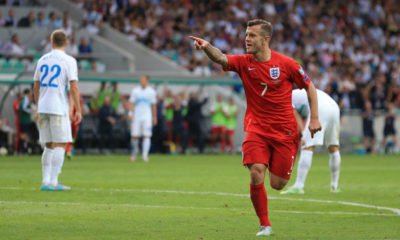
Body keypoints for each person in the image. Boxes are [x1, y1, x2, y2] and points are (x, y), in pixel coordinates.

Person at [189, 19, 321, 236]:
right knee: (256, 173)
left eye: (252, 35)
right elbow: (221, 57)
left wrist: (314, 118)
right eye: (246, 34)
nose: (247, 39)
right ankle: (265, 224)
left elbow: (310, 87)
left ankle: (279, 163)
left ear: (265, 39)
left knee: (278, 184)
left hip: (285, 132)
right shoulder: (243, 62)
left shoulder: (287, 64)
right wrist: (207, 47)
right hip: (256, 129)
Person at [33, 29, 82, 191]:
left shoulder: (42, 60)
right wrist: (78, 110)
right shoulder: (69, 60)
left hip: (43, 107)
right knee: (61, 144)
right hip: (58, 107)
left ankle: (45, 181)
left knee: (49, 145)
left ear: (51, 41)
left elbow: (36, 85)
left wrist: (37, 106)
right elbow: (73, 87)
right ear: (66, 42)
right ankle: (54, 182)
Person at [280, 89, 341, 194]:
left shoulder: (284, 97)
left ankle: (299, 186)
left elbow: (295, 116)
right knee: (333, 147)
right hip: (334, 106)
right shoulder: (296, 93)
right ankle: (334, 186)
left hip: (320, 107)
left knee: (307, 145)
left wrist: (302, 134)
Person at [129, 75, 157, 162]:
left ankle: (145, 155)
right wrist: (130, 113)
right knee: (134, 136)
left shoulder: (151, 92)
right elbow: (131, 103)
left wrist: (154, 117)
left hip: (147, 116)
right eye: (141, 79)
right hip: (137, 115)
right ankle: (134, 153)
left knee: (147, 135)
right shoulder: (135, 91)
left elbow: (153, 105)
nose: (142, 81)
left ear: (147, 80)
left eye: (143, 79)